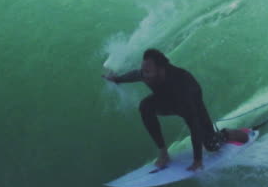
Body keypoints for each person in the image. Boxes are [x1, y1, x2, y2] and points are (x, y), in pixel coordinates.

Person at [103, 49, 245, 172]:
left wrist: (197, 160)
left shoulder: (182, 84)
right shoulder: (147, 73)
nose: (144, 75)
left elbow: (193, 124)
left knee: (211, 145)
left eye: (148, 71)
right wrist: (117, 79)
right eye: (143, 70)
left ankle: (226, 134)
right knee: (145, 106)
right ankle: (163, 152)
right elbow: (135, 74)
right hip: (166, 100)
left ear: (161, 69)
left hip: (190, 102)